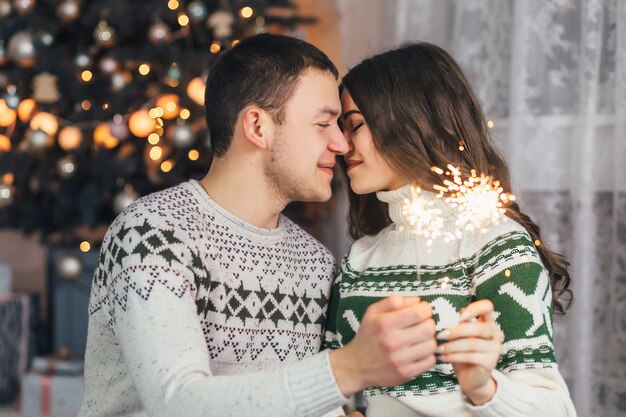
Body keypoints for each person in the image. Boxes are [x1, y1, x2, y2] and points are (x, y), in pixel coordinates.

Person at [78, 34, 438, 417]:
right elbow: (177, 403)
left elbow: (298, 401)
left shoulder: (314, 263)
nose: (342, 144)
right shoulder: (153, 235)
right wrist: (348, 368)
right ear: (257, 126)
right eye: (323, 123)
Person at [323, 42, 577, 416]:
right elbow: (331, 388)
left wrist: (483, 388)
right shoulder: (360, 258)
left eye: (356, 124)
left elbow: (555, 409)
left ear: (411, 121)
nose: (343, 143)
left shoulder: (496, 244)